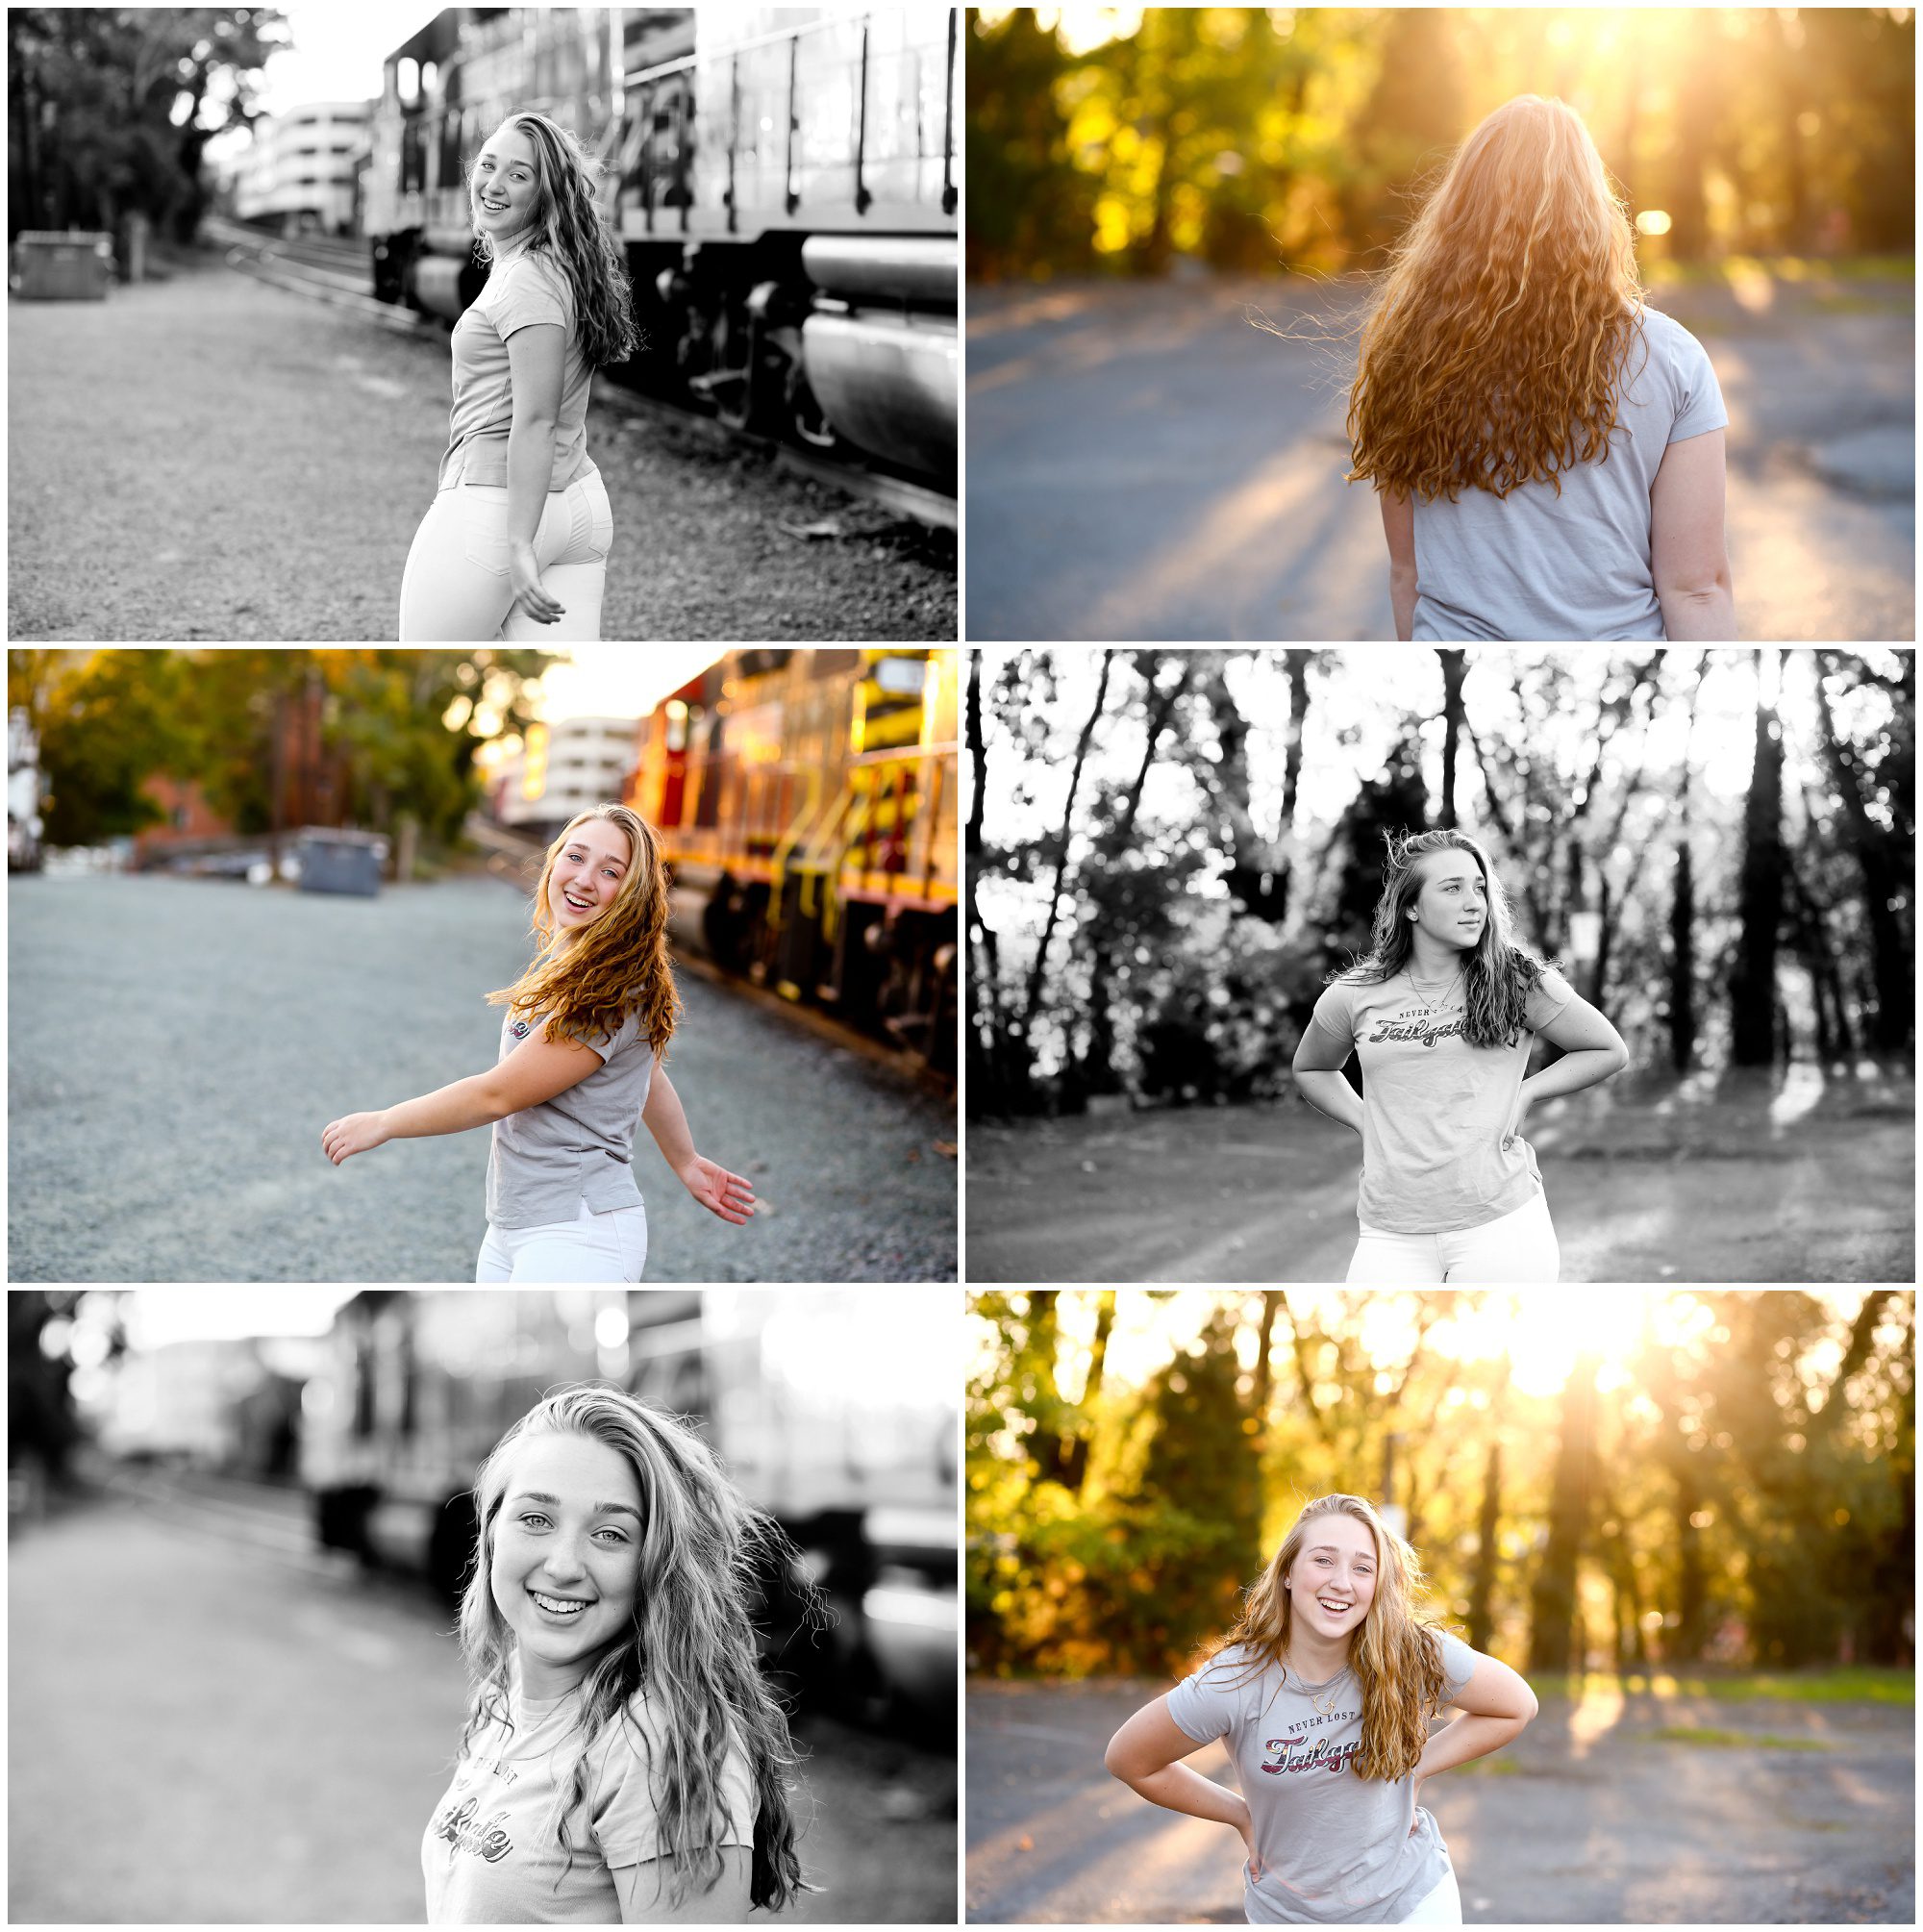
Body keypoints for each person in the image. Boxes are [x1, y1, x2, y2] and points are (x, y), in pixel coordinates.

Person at [1346, 94, 1735, 642]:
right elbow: (1697, 589)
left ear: (1459, 207)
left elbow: (1407, 575)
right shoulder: (1672, 357)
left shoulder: (1406, 351)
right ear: (1592, 205)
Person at [422, 1383, 812, 1923]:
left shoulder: (658, 1747)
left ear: (656, 1562)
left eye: (609, 1534)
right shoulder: (506, 1695)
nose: (563, 1565)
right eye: (535, 1518)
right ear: (491, 1534)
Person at [320, 802, 754, 1282]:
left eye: (610, 871)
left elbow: (497, 1095)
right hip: (517, 1223)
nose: (585, 879)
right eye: (575, 857)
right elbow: (647, 1074)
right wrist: (685, 1160)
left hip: (577, 1230)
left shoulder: (609, 991)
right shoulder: (574, 963)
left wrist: (385, 1122)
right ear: (554, 860)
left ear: (633, 895)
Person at [1105, 1493, 1537, 1926]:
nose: (1342, 1582)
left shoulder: (1410, 1651)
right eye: (1324, 1560)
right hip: (1288, 1913)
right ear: (1289, 1571)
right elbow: (1130, 1760)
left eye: (1362, 1568)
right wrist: (1239, 1814)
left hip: (1410, 1902)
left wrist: (1416, 1768)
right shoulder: (1235, 1680)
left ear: (1378, 1584)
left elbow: (1516, 1707)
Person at [1291, 828, 1628, 1284]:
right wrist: (1364, 1119)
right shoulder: (1355, 994)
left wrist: (1528, 1092)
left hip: (1501, 1224)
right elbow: (1312, 1067)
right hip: (1390, 1229)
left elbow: (1607, 1048)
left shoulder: (1516, 979)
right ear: (1410, 905)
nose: (1474, 902)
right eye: (1452, 888)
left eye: (1480, 887)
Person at [398, 111, 637, 641]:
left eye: (518, 174)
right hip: (578, 506)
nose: (493, 184)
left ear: (546, 194)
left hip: (499, 506)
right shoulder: (557, 267)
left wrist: (520, 542)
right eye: (488, 165)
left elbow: (536, 420)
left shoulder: (527, 280)